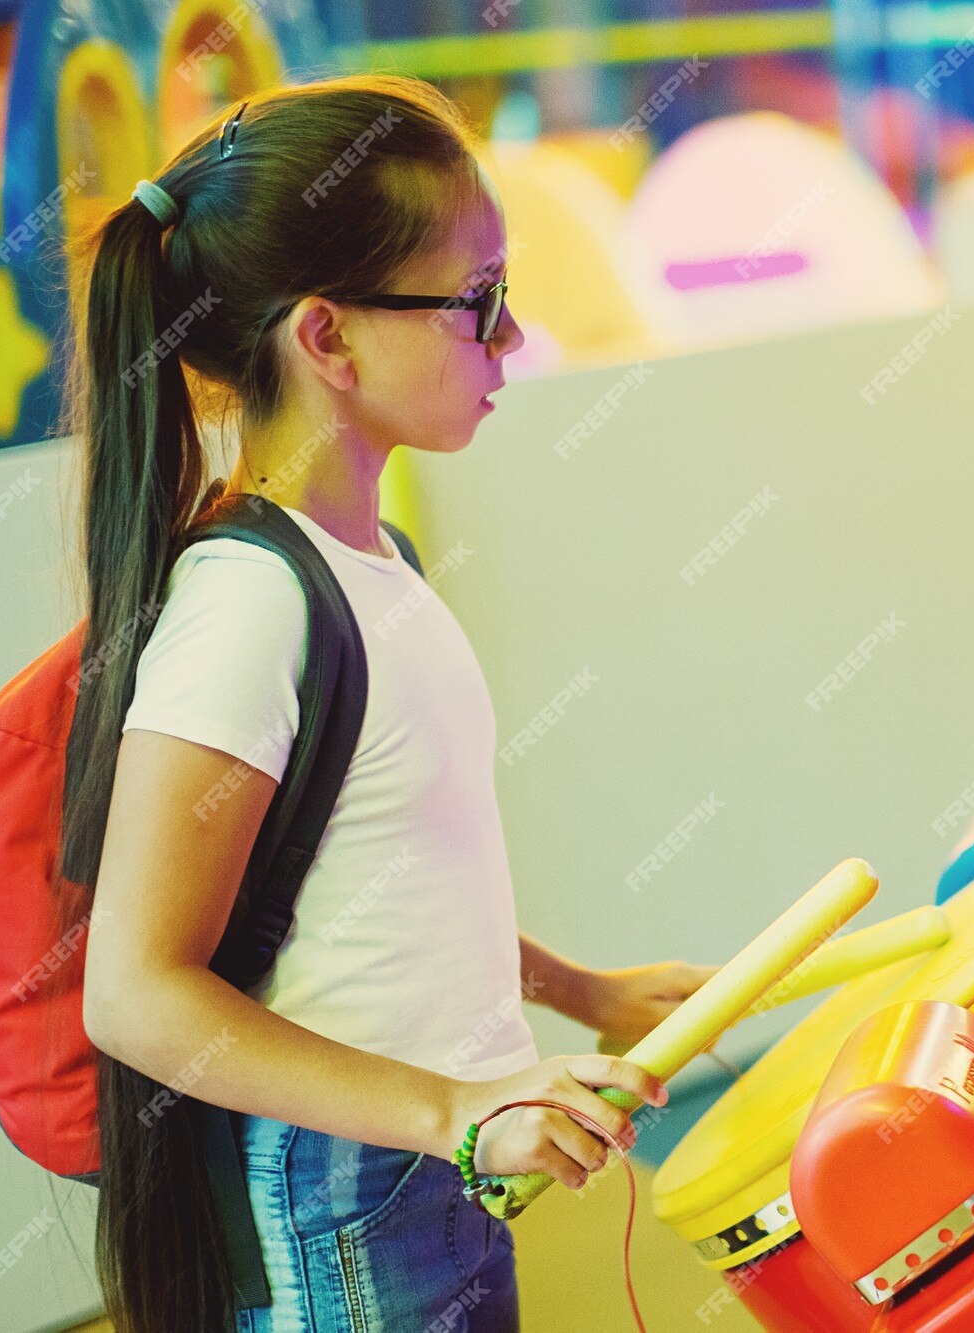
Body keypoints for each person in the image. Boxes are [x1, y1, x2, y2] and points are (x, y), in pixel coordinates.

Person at [61, 76, 715, 1332]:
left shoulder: (376, 566)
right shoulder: (248, 605)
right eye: (478, 302)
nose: (511, 338)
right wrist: (453, 1109)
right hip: (350, 1186)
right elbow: (135, 992)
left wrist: (575, 989)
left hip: (427, 1154)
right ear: (326, 337)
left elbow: (362, 889)